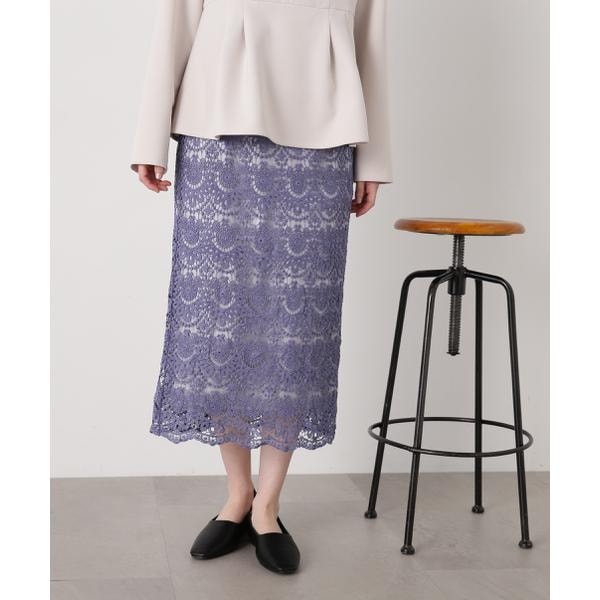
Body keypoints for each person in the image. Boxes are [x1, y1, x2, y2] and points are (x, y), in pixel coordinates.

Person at [130, 0, 393, 575]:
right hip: (217, 130)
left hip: (323, 139)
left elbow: (368, 43)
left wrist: (373, 157)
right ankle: (237, 494)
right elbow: (175, 24)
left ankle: (268, 506)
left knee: (296, 326)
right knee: (221, 321)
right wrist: (149, 140)